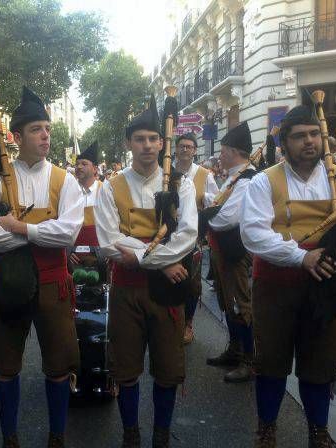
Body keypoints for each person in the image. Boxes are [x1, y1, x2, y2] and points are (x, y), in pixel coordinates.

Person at [240, 105, 336, 447]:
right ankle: (267, 429)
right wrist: (301, 257)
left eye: (314, 134)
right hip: (276, 286)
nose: (309, 141)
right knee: (272, 362)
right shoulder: (264, 180)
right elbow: (253, 234)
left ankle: (318, 431)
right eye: (299, 136)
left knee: (321, 364)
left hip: (327, 285)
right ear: (285, 143)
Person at [0, 87, 83, 448]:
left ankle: (57, 436)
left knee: (58, 363)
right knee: (5, 366)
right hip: (9, 284)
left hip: (54, 284)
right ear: (16, 137)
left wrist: (21, 228)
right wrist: (41, 235)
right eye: (37, 129)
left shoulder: (64, 180)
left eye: (47, 129)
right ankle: (10, 438)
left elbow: (68, 232)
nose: (45, 135)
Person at [94, 98, 198, 448]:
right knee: (125, 369)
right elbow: (108, 241)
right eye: (140, 139)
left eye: (154, 138)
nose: (148, 146)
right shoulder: (111, 186)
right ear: (129, 143)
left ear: (162, 142)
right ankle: (130, 433)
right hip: (127, 291)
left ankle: (162, 434)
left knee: (168, 370)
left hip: (167, 293)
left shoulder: (181, 184)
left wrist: (138, 254)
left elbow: (187, 236)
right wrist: (162, 262)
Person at [206, 122, 256, 383]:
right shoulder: (234, 176)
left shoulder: (247, 179)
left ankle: (249, 360)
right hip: (223, 249)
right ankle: (235, 350)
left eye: (223, 151)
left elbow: (228, 217)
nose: (219, 156)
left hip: (236, 250)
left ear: (235, 151)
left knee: (240, 303)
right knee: (227, 302)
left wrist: (203, 218)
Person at [173, 132, 219, 344]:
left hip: (195, 237)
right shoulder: (166, 172)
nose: (185, 149)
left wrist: (205, 205)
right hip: (170, 235)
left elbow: (216, 202)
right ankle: (171, 322)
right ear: (176, 149)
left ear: (194, 150)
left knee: (192, 283)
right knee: (171, 279)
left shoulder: (204, 174)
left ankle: (188, 323)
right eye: (182, 146)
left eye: (189, 146)